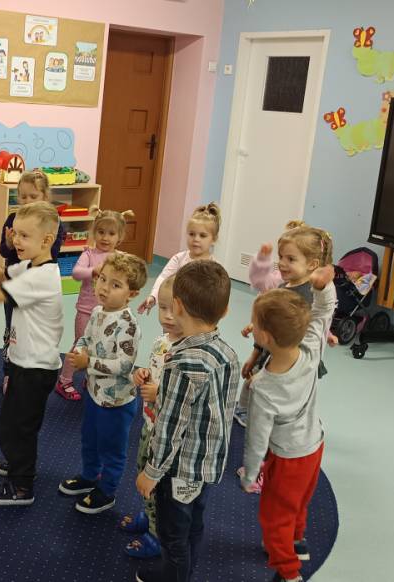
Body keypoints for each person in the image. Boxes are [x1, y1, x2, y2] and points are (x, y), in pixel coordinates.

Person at [134, 261, 241, 582]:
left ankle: (175, 576)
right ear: (225, 311)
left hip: (178, 470)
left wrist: (152, 472)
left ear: (177, 306)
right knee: (194, 525)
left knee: (173, 535)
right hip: (207, 464)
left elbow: (170, 426)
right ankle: (185, 572)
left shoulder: (182, 364)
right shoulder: (227, 353)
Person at [0, 201, 64, 506]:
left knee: (19, 427)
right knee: (12, 422)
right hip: (24, 362)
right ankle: (19, 462)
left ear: (46, 240)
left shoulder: (43, 276)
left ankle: (21, 486)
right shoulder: (29, 266)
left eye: (24, 235)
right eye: (15, 233)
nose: (15, 240)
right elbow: (3, 279)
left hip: (36, 367)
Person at [240, 267, 337, 582]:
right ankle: (297, 540)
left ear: (266, 337)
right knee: (299, 501)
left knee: (274, 518)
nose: (251, 327)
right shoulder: (310, 349)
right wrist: (323, 287)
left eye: (254, 324)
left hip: (287, 459)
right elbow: (323, 312)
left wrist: (250, 475)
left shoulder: (264, 388)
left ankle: (288, 572)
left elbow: (257, 440)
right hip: (314, 446)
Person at [58, 252, 147, 515]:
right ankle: (89, 476)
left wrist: (89, 362)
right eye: (103, 279)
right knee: (90, 439)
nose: (104, 288)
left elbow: (124, 365)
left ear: (132, 294)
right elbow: (86, 338)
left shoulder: (128, 325)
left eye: (115, 285)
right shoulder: (97, 312)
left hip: (117, 402)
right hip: (94, 393)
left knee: (112, 448)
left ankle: (107, 491)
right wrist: (79, 351)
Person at [235, 223, 335, 428]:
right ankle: (245, 411)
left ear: (312, 264)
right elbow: (273, 321)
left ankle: (274, 420)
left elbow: (313, 322)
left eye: (290, 259)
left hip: (288, 359)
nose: (281, 263)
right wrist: (255, 344)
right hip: (270, 349)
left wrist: (327, 333)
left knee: (272, 392)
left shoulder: (307, 295)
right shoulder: (283, 286)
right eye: (281, 257)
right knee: (252, 383)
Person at [119, 275, 181, 559]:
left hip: (167, 433)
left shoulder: (188, 352)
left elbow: (185, 398)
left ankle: (156, 535)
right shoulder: (161, 341)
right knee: (142, 471)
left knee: (158, 484)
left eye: (175, 311)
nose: (167, 316)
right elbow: (154, 370)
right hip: (149, 423)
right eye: (163, 308)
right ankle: (148, 515)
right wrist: (142, 374)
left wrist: (160, 393)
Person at [54, 208, 135, 401]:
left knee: (102, 346)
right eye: (101, 232)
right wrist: (93, 271)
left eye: (111, 233)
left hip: (110, 313)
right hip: (86, 311)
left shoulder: (120, 258)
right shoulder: (89, 254)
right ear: (94, 232)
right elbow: (76, 273)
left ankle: (91, 377)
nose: (105, 238)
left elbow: (130, 278)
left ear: (120, 237)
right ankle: (64, 380)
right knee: (80, 345)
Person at [0, 170, 67, 392]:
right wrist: (10, 245)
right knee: (12, 329)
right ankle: (9, 372)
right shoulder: (13, 219)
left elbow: (51, 254)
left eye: (33, 196)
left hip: (35, 285)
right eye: (23, 196)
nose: (27, 201)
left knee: (33, 331)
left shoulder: (54, 224)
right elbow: (2, 251)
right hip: (13, 281)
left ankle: (31, 374)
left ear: (45, 196)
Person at [138, 203, 221, 315]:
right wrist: (154, 296)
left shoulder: (215, 267)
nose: (196, 239)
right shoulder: (179, 259)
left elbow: (218, 294)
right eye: (192, 234)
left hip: (199, 315)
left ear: (214, 239)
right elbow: (163, 278)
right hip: (176, 312)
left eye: (202, 235)